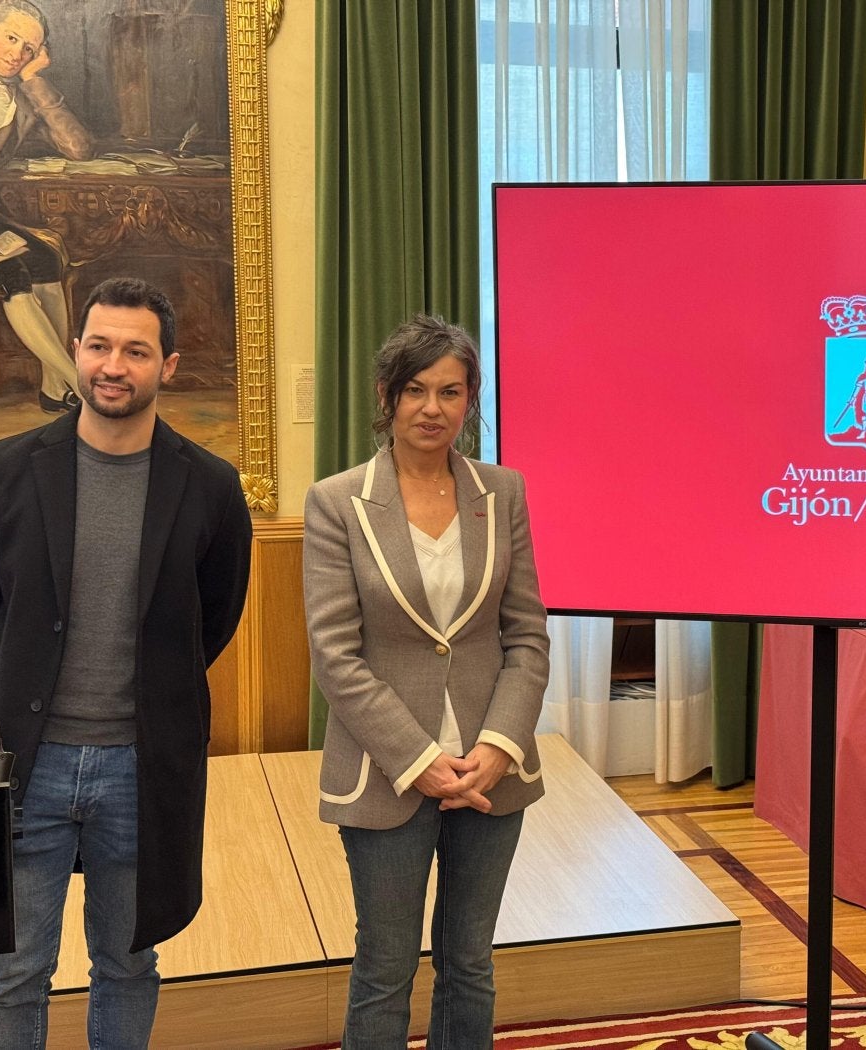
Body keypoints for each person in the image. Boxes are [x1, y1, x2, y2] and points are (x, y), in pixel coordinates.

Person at [0, 276, 252, 1048]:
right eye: (99, 346)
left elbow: (215, 616)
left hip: (143, 763)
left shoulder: (212, 486)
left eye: (136, 350)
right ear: (75, 352)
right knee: (12, 970)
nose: (113, 365)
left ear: (168, 364)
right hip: (26, 764)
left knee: (128, 964)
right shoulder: (2, 473)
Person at [304, 315, 550, 1049]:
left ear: (472, 400)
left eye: (450, 391)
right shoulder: (337, 501)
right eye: (415, 390)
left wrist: (501, 745)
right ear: (387, 395)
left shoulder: (502, 492)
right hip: (387, 773)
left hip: (490, 771)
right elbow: (334, 654)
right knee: (384, 968)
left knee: (470, 965)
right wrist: (420, 762)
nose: (432, 408)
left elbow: (527, 635)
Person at [0, 0, 93, 412]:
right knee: (7, 268)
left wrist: (34, 80)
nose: (17, 52)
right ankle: (81, 383)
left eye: (29, 47)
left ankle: (54, 388)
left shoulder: (19, 88)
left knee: (42, 258)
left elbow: (79, 148)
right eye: (11, 37)